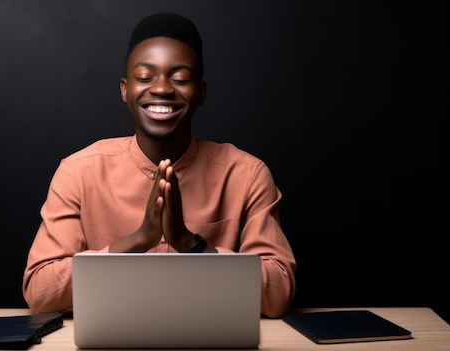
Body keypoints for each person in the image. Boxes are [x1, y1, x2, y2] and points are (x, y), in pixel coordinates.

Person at [22, 12, 296, 318]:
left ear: (201, 93)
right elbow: (39, 292)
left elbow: (279, 293)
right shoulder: (78, 172)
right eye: (144, 77)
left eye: (180, 79)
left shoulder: (247, 175)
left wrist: (190, 244)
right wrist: (137, 241)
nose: (163, 89)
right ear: (125, 89)